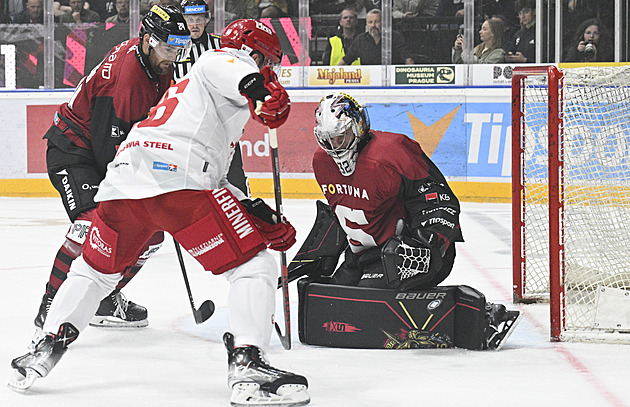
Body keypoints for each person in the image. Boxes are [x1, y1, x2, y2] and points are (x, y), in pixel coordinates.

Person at [9, 18, 311, 407]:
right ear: (255, 55)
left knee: (93, 272)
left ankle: (44, 348)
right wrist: (256, 87)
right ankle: (248, 363)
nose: (271, 72)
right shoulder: (223, 62)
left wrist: (252, 209)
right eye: (268, 62)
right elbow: (228, 64)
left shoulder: (194, 90)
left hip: (124, 185)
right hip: (176, 184)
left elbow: (212, 171)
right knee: (254, 266)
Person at [292, 92, 521, 351]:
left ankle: (484, 315)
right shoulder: (321, 162)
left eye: (340, 137)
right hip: (361, 258)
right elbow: (344, 209)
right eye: (328, 140)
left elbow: (438, 199)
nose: (335, 147)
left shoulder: (393, 151)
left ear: (358, 127)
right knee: (326, 303)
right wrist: (322, 251)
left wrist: (426, 247)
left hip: (405, 253)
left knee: (368, 309)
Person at [29, 4, 191, 346]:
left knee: (151, 236)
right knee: (90, 225)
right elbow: (109, 155)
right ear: (147, 40)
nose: (172, 57)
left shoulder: (154, 61)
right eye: (167, 48)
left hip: (102, 149)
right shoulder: (127, 78)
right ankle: (51, 304)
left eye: (179, 49)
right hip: (73, 152)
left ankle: (105, 297)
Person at [175, 0, 250, 196]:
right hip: (188, 128)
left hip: (223, 126)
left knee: (234, 178)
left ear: (206, 19)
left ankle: (245, 218)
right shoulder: (173, 48)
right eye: (189, 19)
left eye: (199, 19)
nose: (194, 24)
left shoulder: (221, 45)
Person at [339, 9, 414, 65]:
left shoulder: (395, 37)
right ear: (366, 24)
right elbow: (346, 60)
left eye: (377, 21)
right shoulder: (360, 40)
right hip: (368, 81)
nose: (373, 25)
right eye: (370, 22)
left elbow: (407, 58)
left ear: (383, 23)